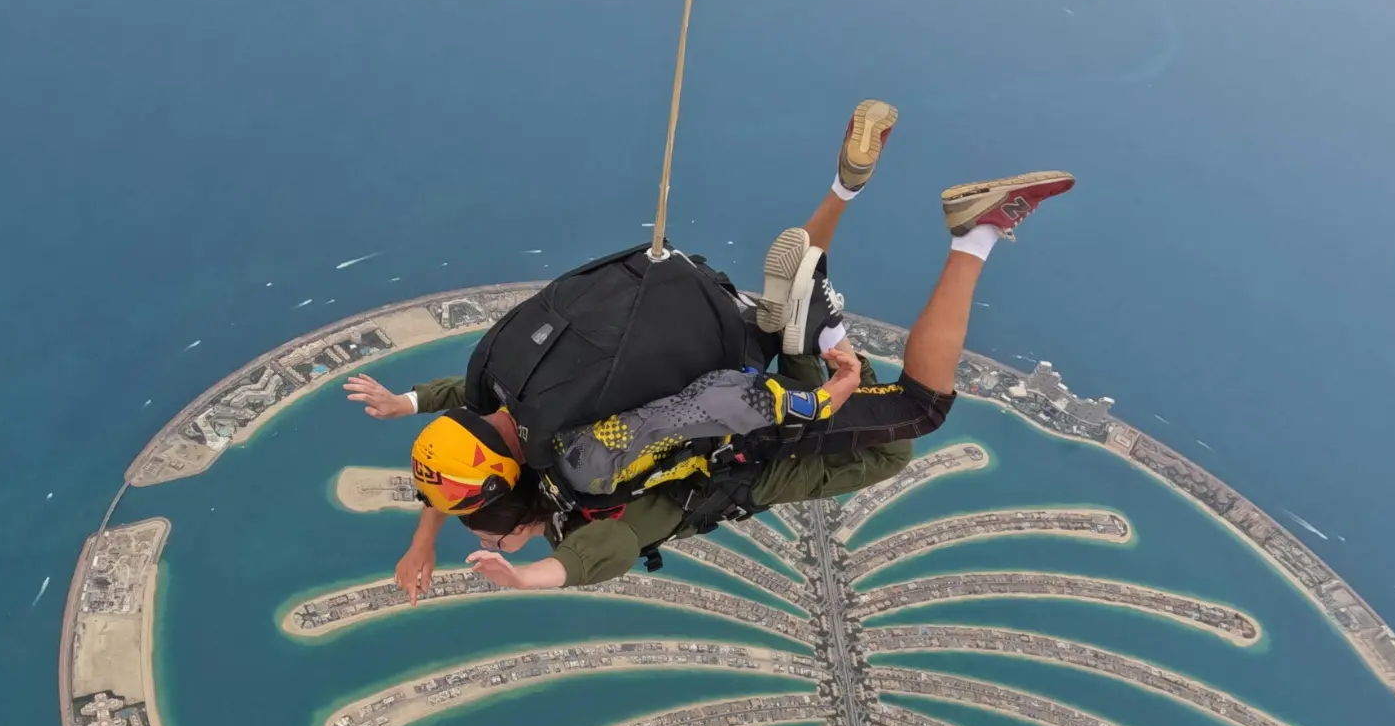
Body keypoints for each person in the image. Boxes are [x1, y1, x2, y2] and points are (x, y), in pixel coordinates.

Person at [344, 102, 1071, 595]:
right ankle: (842, 193)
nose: (507, 547)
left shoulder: (589, 486)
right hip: (710, 323)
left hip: (759, 427)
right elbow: (458, 437)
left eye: (506, 540)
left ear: (520, 508)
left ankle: (974, 234)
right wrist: (418, 508)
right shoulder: (494, 385)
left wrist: (534, 579)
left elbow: (609, 549)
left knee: (914, 415)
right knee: (790, 327)